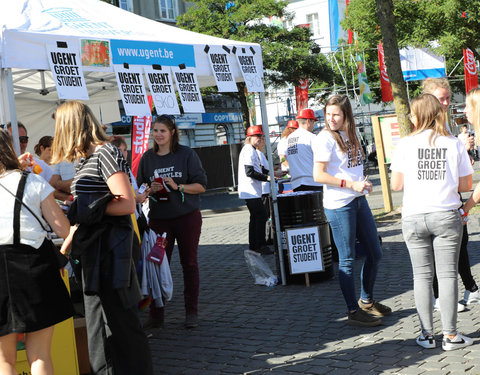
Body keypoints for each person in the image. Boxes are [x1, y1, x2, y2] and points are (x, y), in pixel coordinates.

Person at [51, 100, 153, 375]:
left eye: (58, 124)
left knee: (121, 323)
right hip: (96, 249)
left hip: (110, 249)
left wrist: (84, 208)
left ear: (70, 125)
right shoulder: (88, 158)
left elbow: (127, 204)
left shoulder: (105, 152)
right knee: (99, 326)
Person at [391, 93, 473, 350]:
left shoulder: (404, 144)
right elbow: (466, 184)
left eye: (411, 113)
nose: (409, 117)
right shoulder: (453, 143)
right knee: (447, 275)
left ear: (418, 115)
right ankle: (450, 336)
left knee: (422, 276)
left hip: (414, 216)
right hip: (445, 214)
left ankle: (426, 335)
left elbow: (396, 185)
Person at [0, 129, 74, 375]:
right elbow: (63, 229)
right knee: (40, 355)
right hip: (33, 266)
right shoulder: (31, 180)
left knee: (5, 360)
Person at [313, 94, 391, 327]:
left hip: (358, 200)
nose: (331, 119)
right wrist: (351, 184)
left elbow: (351, 168)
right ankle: (352, 310)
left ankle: (366, 300)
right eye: (328, 114)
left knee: (375, 252)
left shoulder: (351, 134)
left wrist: (361, 182)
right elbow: (318, 175)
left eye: (336, 114)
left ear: (347, 115)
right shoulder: (325, 138)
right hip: (339, 204)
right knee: (347, 260)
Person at [136, 115, 207, 329]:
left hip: (187, 218)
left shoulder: (186, 154)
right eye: (155, 131)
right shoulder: (148, 158)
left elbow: (201, 186)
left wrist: (178, 187)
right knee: (157, 263)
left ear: (172, 132)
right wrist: (148, 190)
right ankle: (157, 313)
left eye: (162, 131)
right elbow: (139, 190)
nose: (158, 135)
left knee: (190, 264)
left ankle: (191, 312)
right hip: (159, 220)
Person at [422, 78, 480, 309]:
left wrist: (463, 156)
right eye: (441, 99)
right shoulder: (426, 126)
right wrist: (461, 149)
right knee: (442, 248)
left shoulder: (445, 124)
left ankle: (469, 289)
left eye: (448, 98)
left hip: (452, 197)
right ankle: (442, 298)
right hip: (436, 200)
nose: (447, 103)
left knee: (459, 242)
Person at [237, 125, 274, 255]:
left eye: (261, 136)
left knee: (255, 218)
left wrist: (272, 175)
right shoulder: (248, 150)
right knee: (261, 216)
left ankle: (254, 245)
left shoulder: (251, 150)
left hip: (251, 190)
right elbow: (250, 172)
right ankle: (260, 245)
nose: (260, 138)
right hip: (250, 190)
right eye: (258, 136)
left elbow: (257, 169)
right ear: (250, 137)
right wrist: (267, 178)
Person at [286, 108, 323, 191]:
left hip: (296, 184)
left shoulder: (289, 138)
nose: (314, 125)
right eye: (313, 122)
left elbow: (286, 158)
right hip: (313, 182)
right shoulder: (312, 137)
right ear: (308, 122)